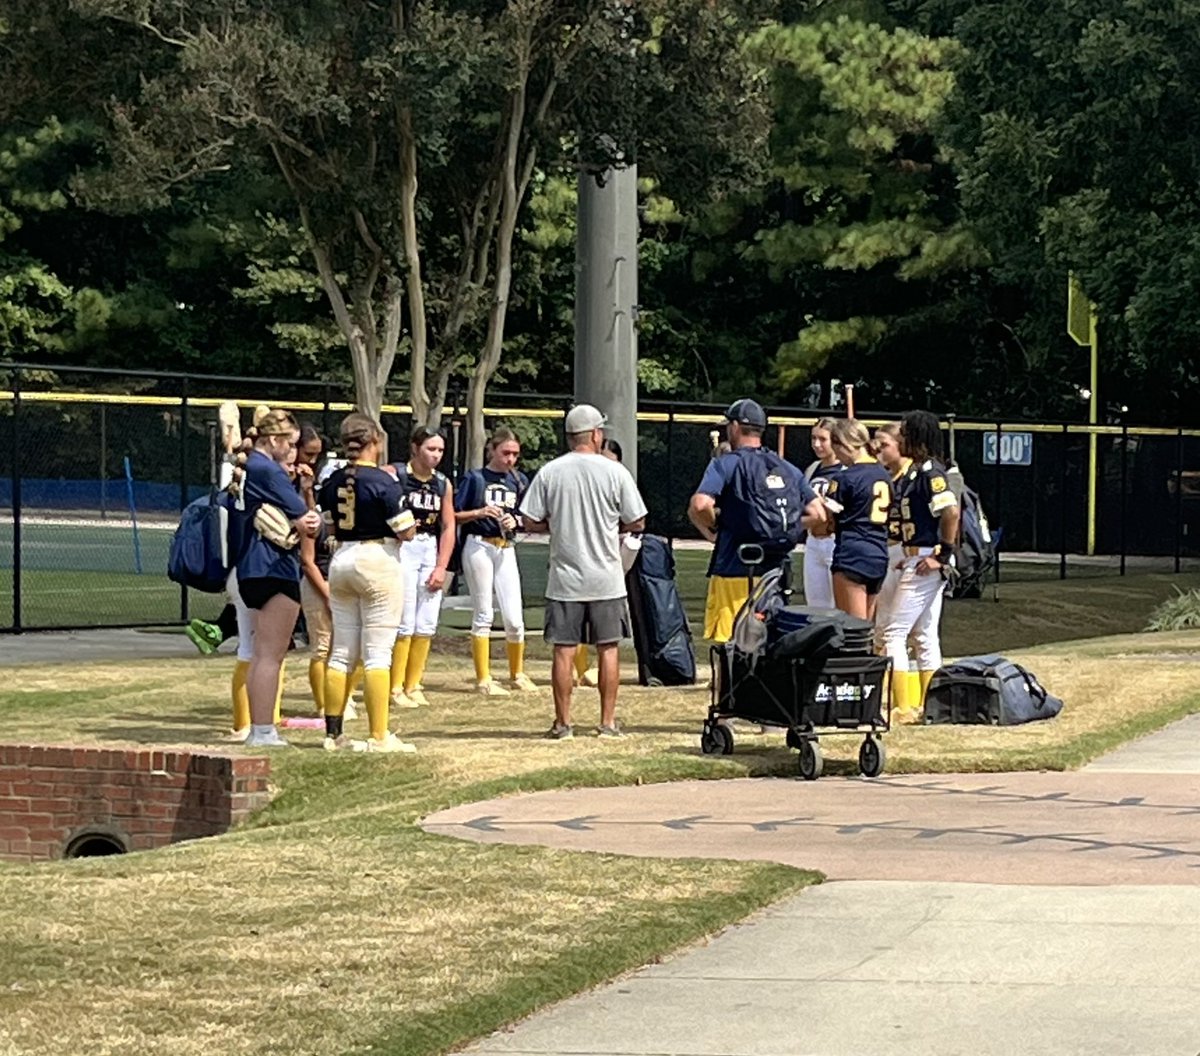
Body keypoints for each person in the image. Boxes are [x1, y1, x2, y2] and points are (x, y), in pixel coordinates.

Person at [519, 404, 647, 739]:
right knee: (608, 647)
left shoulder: (551, 471)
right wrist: (608, 523)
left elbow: (529, 519)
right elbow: (637, 519)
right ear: (595, 435)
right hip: (606, 575)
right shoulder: (614, 472)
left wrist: (557, 524)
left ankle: (563, 723)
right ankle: (606, 722)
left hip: (565, 577)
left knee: (564, 649)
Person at [317, 413, 419, 752]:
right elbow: (405, 530)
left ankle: (333, 734)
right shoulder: (383, 481)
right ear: (374, 441)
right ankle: (379, 736)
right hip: (377, 557)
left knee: (342, 652)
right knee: (377, 655)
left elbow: (329, 527)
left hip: (341, 558)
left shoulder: (330, 482)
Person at [688, 399, 823, 644]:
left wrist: (713, 528)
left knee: (731, 640)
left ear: (736, 426)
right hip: (775, 571)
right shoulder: (786, 467)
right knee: (767, 637)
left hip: (733, 565)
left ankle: (729, 683)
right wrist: (789, 527)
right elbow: (817, 514)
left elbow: (700, 505)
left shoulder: (726, 463)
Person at [227, 408, 322, 748]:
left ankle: (259, 727)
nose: (294, 452)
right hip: (272, 565)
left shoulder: (248, 465)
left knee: (257, 654)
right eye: (291, 444)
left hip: (248, 566)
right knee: (271, 655)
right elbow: (304, 518)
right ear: (275, 440)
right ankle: (263, 730)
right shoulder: (267, 470)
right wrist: (315, 521)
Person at [878, 410, 961, 723]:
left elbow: (950, 512)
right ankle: (931, 706)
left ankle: (903, 705)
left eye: (904, 432)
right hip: (914, 554)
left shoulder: (931, 472)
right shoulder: (915, 471)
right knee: (924, 635)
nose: (900, 437)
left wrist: (942, 555)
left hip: (927, 559)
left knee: (894, 633)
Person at [454, 426, 536, 696]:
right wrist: (479, 512)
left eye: (514, 454)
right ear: (492, 450)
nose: (510, 459)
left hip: (505, 547)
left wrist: (518, 521)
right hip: (479, 545)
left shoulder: (518, 480)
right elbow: (454, 513)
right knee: (484, 613)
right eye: (505, 453)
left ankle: (517, 673)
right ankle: (484, 678)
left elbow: (527, 516)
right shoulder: (476, 478)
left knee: (514, 618)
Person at [390, 426, 457, 707]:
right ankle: (394, 687)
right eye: (430, 449)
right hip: (403, 544)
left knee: (426, 618)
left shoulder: (442, 483)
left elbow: (448, 524)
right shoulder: (397, 475)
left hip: (428, 545)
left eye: (440, 450)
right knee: (404, 619)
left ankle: (413, 683)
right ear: (415, 448)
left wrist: (442, 565)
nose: (436, 455)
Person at [572, 438, 638, 686]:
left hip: (613, 556)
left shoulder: (620, 479)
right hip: (582, 557)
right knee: (575, 618)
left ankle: (600, 671)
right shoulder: (584, 480)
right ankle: (579, 669)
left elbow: (636, 518)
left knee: (608, 628)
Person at [823, 418, 892, 620]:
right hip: (879, 554)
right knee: (866, 629)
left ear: (842, 444)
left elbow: (828, 523)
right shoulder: (884, 474)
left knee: (851, 629)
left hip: (852, 554)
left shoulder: (844, 478)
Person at [872, 422, 913, 661]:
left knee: (904, 631)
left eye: (884, 445)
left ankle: (906, 692)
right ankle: (883, 683)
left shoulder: (914, 475)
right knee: (883, 623)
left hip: (906, 550)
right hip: (886, 549)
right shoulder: (884, 476)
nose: (879, 450)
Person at [801, 417, 842, 609]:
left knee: (839, 606)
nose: (817, 444)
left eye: (823, 439)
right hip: (813, 542)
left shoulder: (846, 469)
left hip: (835, 540)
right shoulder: (813, 469)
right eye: (813, 438)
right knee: (816, 606)